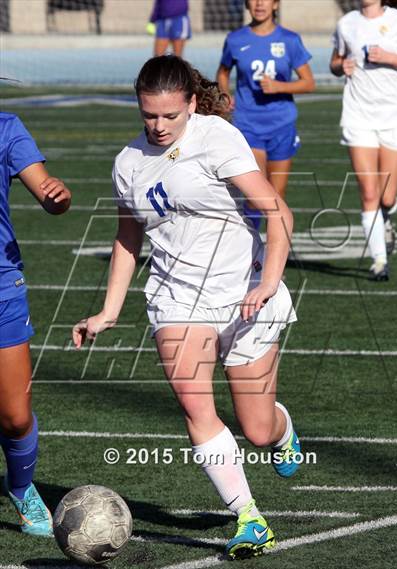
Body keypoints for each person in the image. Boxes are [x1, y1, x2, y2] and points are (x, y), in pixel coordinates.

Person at [73, 55, 301, 559]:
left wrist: (267, 283)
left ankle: (282, 429)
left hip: (242, 293)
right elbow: (127, 236)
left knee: (257, 430)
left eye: (169, 116)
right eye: (148, 115)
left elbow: (277, 211)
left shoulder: (216, 138)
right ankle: (249, 518)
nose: (157, 126)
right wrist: (108, 310)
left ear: (192, 104)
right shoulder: (128, 162)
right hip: (175, 298)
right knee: (194, 405)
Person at [0, 111, 71, 535]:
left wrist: (55, 196)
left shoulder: (6, 126)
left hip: (2, 284)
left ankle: (22, 487)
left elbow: (44, 187)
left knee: (14, 416)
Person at [330, 0, 397, 281]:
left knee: (386, 196)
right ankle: (379, 261)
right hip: (358, 115)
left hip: (394, 116)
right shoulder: (347, 23)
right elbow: (335, 62)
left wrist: (390, 57)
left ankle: (388, 215)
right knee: (369, 193)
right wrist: (340, 65)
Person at [217, 0, 315, 230]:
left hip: (282, 124)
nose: (259, 3)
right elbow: (223, 72)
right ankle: (250, 251)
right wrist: (225, 95)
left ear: (276, 5)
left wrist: (280, 87)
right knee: (255, 193)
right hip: (248, 124)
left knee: (276, 195)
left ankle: (272, 256)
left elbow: (308, 82)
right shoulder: (235, 39)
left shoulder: (290, 40)